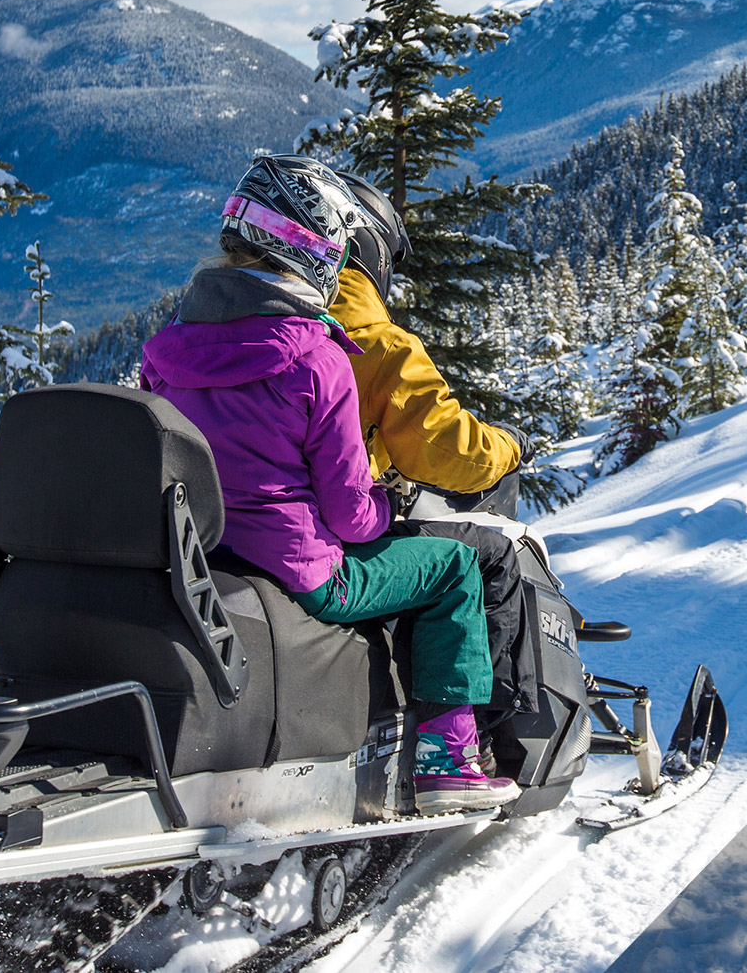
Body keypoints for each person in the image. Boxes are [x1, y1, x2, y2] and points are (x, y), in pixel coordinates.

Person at [140, 154, 518, 814]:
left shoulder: (166, 350)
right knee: (454, 568)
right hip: (306, 573)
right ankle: (447, 757)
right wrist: (388, 507)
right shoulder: (320, 357)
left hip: (202, 556)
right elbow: (348, 517)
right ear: (320, 250)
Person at [329, 170, 541, 719]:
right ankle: (478, 737)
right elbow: (449, 451)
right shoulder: (374, 342)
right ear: (371, 253)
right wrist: (511, 447)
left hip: (243, 532)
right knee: (486, 558)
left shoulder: (267, 324)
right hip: (330, 538)